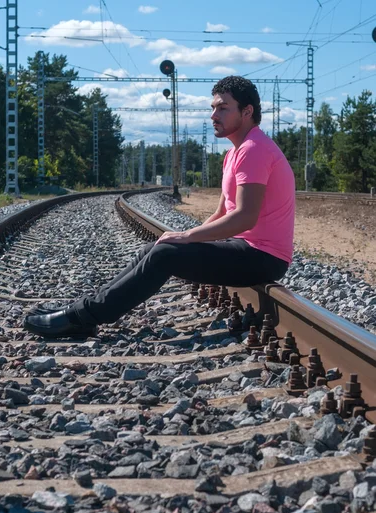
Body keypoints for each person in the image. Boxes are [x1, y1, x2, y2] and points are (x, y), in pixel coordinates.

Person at [24, 76, 295, 338]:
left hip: (264, 258)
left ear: (247, 111)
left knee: (165, 255)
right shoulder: (234, 153)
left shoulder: (254, 149)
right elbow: (222, 213)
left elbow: (245, 218)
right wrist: (185, 239)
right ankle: (83, 309)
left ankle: (82, 318)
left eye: (223, 108)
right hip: (248, 250)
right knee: (155, 249)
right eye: (213, 107)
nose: (214, 115)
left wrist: (187, 237)